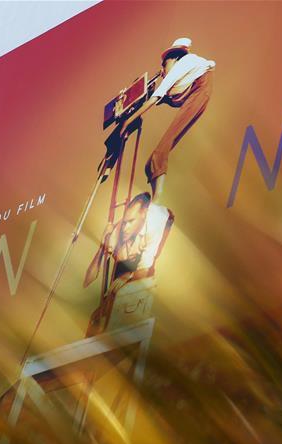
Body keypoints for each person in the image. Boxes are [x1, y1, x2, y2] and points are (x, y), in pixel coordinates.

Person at [118, 37, 215, 202]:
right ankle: (154, 196)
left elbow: (154, 99)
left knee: (161, 151)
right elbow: (161, 97)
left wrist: (128, 122)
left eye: (164, 64)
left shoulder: (181, 65)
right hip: (197, 91)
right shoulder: (185, 71)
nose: (162, 69)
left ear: (175, 58)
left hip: (200, 91)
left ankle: (157, 199)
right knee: (149, 164)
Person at [84, 193, 174, 334]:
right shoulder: (117, 233)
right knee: (104, 307)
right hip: (129, 253)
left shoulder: (155, 225)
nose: (125, 228)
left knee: (137, 281)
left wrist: (128, 276)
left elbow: (144, 270)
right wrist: (102, 247)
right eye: (125, 222)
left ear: (143, 215)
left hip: (162, 224)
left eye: (131, 222)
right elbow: (88, 280)